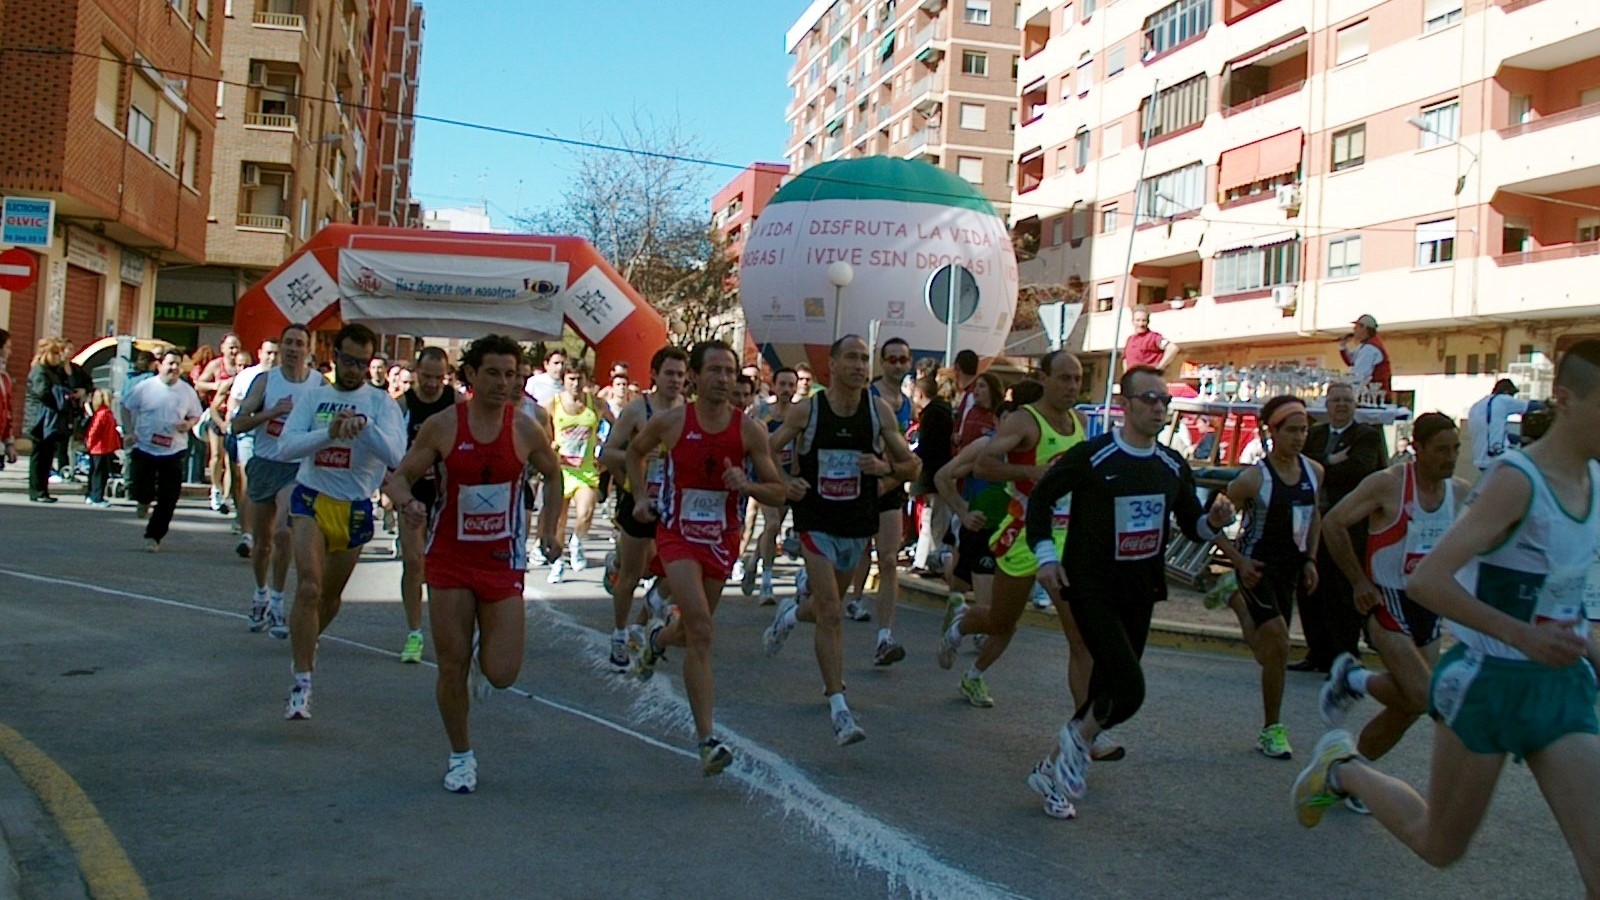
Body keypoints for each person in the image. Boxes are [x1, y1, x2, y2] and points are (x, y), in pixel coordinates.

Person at [1293, 341, 1600, 898]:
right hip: (1487, 682)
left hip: (1559, 691)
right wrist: (1524, 636)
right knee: (1439, 845)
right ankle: (1344, 767)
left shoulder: (1595, 482)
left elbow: (1568, 602)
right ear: (1567, 399)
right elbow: (1428, 580)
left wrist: (1584, 647)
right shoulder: (1515, 481)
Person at [1028, 365, 1237, 819]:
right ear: (1125, 406)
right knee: (1130, 688)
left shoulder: (1171, 465)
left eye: (1164, 400)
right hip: (1090, 586)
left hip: (1140, 589)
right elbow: (1042, 499)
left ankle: (1052, 766)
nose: (1158, 406)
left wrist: (1214, 522)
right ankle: (1071, 756)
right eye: (1148, 399)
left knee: (1107, 691)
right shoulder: (1094, 456)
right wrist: (1046, 558)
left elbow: (1192, 527)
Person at [384, 334, 563, 793]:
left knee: (502, 674)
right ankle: (461, 755)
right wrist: (407, 504)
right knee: (451, 664)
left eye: (511, 374)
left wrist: (548, 528)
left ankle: (486, 646)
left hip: (502, 559)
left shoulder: (525, 428)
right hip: (449, 558)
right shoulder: (443, 426)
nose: (503, 383)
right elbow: (400, 477)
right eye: (493, 373)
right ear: (469, 375)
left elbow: (554, 472)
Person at [626, 340, 789, 775]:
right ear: (696, 377)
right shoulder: (672, 421)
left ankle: (658, 641)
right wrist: (641, 496)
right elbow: (634, 452)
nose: (722, 379)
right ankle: (706, 741)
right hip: (677, 535)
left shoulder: (750, 430)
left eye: (729, 371)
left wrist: (747, 485)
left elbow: (778, 489)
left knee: (694, 633)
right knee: (701, 628)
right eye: (713, 370)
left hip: (721, 540)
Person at [762, 335, 920, 746]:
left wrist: (882, 468)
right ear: (830, 365)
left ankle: (792, 615)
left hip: (856, 523)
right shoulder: (808, 411)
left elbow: (911, 464)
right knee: (832, 611)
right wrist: (785, 481)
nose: (859, 365)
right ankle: (838, 706)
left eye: (864, 359)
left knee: (823, 606)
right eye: (850, 357)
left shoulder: (878, 410)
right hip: (815, 521)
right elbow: (764, 448)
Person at [1319, 413, 1470, 799]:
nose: (1449, 458)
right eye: (1440, 450)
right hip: (1386, 598)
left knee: (1410, 707)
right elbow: (1334, 523)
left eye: (1454, 449)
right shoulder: (1388, 485)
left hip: (1427, 604)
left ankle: (1348, 773)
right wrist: (1358, 581)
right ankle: (1352, 681)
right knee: (1423, 695)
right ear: (1415, 448)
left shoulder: (1460, 493)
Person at [946, 352, 1092, 713]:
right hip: (1023, 535)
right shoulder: (1026, 422)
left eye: (1077, 379)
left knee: (1080, 636)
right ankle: (962, 625)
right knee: (1001, 622)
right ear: (1043, 378)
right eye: (1064, 378)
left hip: (1064, 540)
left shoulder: (1080, 422)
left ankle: (1086, 730)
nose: (1072, 386)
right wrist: (1030, 473)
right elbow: (983, 464)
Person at [273, 324, 406, 720]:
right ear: (335, 357)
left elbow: (396, 456)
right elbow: (285, 447)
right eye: (348, 361)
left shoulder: (382, 404)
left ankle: (306, 642)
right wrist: (327, 433)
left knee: (329, 598)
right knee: (310, 587)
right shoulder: (314, 397)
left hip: (355, 507)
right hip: (312, 497)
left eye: (362, 363)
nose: (354, 370)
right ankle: (302, 681)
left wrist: (364, 429)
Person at [1221, 395, 1325, 761]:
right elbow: (1212, 522)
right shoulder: (1254, 478)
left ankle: (1236, 604)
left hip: (1291, 569)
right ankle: (1272, 729)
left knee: (1269, 653)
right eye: (1292, 430)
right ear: (1273, 432)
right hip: (1257, 568)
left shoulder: (1314, 471)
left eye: (1304, 430)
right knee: (1279, 643)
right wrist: (1237, 561)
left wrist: (1311, 560)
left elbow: (1314, 519)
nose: (1299, 437)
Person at [598, 345, 689, 670]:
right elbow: (606, 454)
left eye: (681, 375)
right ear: (654, 375)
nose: (675, 380)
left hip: (673, 504)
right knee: (633, 574)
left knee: (675, 571)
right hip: (637, 499)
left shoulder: (687, 412)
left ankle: (640, 622)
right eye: (669, 374)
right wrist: (636, 457)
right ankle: (620, 634)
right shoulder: (638, 410)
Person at [232, 324, 321, 638]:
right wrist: (270, 414)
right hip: (264, 465)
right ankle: (260, 594)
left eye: (299, 343)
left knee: (284, 533)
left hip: (296, 469)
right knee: (262, 543)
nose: (293, 349)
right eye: (288, 343)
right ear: (281, 347)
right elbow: (237, 424)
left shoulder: (318, 384)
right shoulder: (265, 381)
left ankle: (279, 602)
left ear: (309, 349)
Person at [1296, 381, 1385, 673]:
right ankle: (1317, 653)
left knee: (1342, 593)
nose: (1341, 405)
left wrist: (1323, 468)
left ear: (1354, 404)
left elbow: (1358, 471)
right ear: (1327, 404)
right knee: (1311, 590)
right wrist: (1330, 461)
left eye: (1347, 400)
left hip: (1347, 525)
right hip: (1311, 522)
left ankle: (1344, 658)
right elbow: (1300, 466)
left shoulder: (1366, 436)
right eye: (1336, 400)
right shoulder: (1316, 434)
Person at [839, 338, 916, 666]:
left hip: (890, 484)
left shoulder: (907, 403)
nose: (898, 365)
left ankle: (885, 636)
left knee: (888, 558)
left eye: (903, 359)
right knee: (852, 553)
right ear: (881, 363)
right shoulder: (867, 396)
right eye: (892, 359)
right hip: (857, 485)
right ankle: (819, 598)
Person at [395, 347, 459, 663]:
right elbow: (389, 447)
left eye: (438, 377)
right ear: (415, 372)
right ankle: (414, 633)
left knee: (446, 567)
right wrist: (389, 485)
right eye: (427, 376)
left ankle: (451, 630)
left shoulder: (457, 402)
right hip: (413, 490)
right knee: (413, 560)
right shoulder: (403, 404)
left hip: (448, 493)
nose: (433, 383)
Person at [122, 349, 204, 551]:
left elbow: (196, 415)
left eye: (177, 364)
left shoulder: (187, 391)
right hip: (145, 447)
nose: (174, 368)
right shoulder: (146, 387)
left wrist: (188, 424)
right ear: (160, 365)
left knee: (169, 498)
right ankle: (143, 500)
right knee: (142, 488)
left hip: (173, 450)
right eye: (170, 364)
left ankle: (154, 536)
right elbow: (125, 406)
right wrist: (129, 431)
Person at [545, 364, 612, 582]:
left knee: (586, 510)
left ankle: (577, 541)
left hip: (586, 470)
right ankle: (557, 562)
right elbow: (540, 430)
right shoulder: (553, 405)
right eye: (571, 379)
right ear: (564, 380)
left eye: (579, 379)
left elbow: (619, 425)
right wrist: (550, 445)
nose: (575, 384)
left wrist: (607, 452)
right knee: (559, 521)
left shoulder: (596, 403)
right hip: (561, 470)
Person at [740, 366, 800, 606]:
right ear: (773, 386)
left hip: (787, 478)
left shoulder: (799, 414)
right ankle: (766, 583)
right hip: (762, 476)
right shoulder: (761, 410)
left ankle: (753, 562)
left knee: (771, 529)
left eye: (791, 385)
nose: (786, 389)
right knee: (773, 522)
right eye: (782, 384)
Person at [227, 339, 281, 557]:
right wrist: (230, 422)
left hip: (278, 440)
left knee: (276, 490)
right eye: (268, 352)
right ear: (260, 353)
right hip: (249, 435)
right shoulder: (249, 376)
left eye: (275, 353)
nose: (272, 357)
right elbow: (234, 402)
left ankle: (266, 531)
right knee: (249, 482)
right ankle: (247, 534)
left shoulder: (287, 379)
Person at [195, 333, 243, 515]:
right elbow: (198, 384)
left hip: (235, 416)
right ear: (222, 348)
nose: (233, 351)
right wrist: (217, 386)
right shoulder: (216, 365)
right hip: (217, 413)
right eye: (230, 347)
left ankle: (226, 494)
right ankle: (215, 488)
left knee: (230, 459)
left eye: (236, 347)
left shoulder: (242, 367)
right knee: (216, 454)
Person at [910, 375, 954, 575]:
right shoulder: (943, 412)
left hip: (932, 475)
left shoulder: (931, 415)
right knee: (932, 519)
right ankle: (925, 560)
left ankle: (929, 560)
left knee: (934, 521)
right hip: (937, 475)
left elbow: (927, 446)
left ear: (919, 394)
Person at [26, 339, 73, 503]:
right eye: (55, 353)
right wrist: (59, 401)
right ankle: (36, 490)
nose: (58, 357)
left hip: (51, 420)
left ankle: (43, 490)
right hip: (39, 420)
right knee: (39, 456)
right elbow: (43, 392)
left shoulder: (55, 371)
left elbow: (68, 383)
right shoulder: (39, 371)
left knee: (47, 457)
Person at [1467, 378, 1539, 474]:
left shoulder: (1476, 406)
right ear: (1506, 391)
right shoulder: (1502, 400)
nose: (1513, 398)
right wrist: (1549, 404)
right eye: (1512, 395)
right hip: (1496, 457)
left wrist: (1520, 439)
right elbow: (1530, 406)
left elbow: (1492, 433)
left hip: (1481, 459)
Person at [1338, 314, 1391, 401]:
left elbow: (1359, 375)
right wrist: (1343, 345)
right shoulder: (1367, 345)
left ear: (1364, 328)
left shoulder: (1369, 349)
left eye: (1357, 326)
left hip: (1373, 397)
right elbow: (1350, 361)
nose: (1354, 329)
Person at [83, 388, 121, 507]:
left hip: (99, 448)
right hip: (101, 448)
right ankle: (97, 497)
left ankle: (91, 495)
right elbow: (94, 431)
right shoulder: (104, 413)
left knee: (94, 472)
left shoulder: (101, 413)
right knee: (100, 473)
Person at [1122, 308, 1180, 375]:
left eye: (1144, 320)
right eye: (1138, 320)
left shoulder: (1154, 337)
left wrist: (1159, 367)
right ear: (1132, 322)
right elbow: (1125, 359)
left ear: (1148, 322)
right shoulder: (1130, 339)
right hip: (1132, 380)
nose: (1141, 324)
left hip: (1148, 379)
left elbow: (1172, 348)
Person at [0, 329, 16, 472]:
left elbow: (7, 412)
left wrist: (9, 443)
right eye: (7, 347)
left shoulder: (4, 378)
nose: (9, 352)